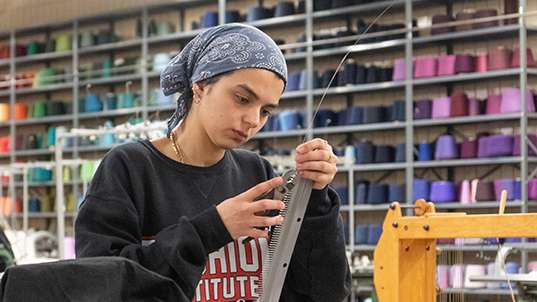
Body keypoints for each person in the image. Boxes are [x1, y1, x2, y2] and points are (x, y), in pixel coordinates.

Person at [75, 23, 351, 302]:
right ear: (200, 86)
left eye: (266, 110)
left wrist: (315, 198)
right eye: (242, 99)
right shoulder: (130, 169)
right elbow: (99, 285)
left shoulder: (257, 173)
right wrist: (211, 229)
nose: (254, 120)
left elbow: (323, 292)